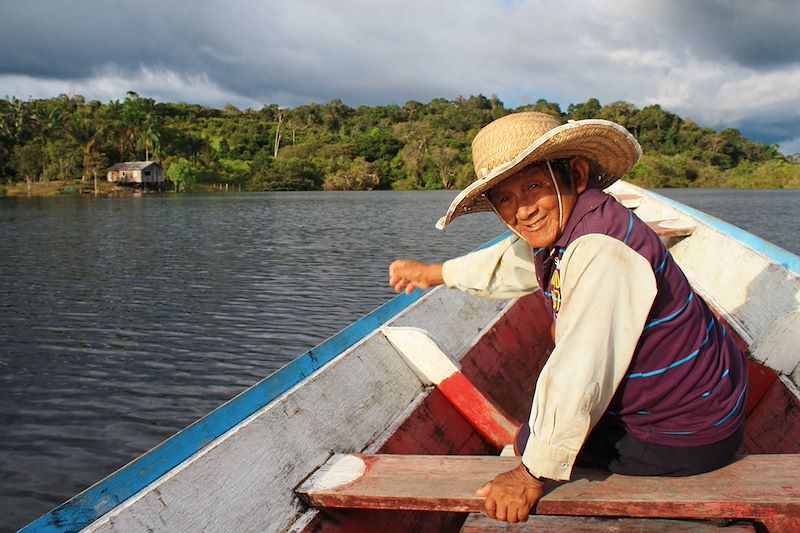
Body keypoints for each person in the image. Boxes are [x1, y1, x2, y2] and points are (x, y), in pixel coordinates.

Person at [388, 112, 748, 524]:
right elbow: (512, 263)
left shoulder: (601, 249)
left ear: (575, 175)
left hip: (686, 435)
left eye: (534, 187)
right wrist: (433, 273)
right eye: (505, 198)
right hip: (713, 397)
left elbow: (580, 367)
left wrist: (528, 475)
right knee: (546, 403)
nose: (522, 211)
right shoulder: (572, 224)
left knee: (531, 441)